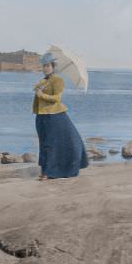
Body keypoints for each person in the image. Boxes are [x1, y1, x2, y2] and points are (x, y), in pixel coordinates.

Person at [33, 52, 88, 180]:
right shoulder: (43, 81)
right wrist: (38, 89)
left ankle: (48, 173)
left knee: (51, 145)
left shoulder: (58, 80)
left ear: (53, 67)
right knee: (43, 144)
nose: (45, 68)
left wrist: (42, 95)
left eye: (48, 66)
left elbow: (57, 98)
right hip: (41, 116)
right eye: (44, 66)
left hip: (54, 116)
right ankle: (44, 171)